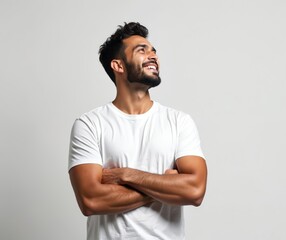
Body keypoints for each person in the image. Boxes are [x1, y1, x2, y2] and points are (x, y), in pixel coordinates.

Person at [68, 22, 207, 240]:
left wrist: (126, 175)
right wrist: (165, 186)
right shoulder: (89, 124)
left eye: (153, 51)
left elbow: (195, 191)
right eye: (141, 50)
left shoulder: (179, 121)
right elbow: (91, 200)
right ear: (118, 66)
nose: (153, 56)